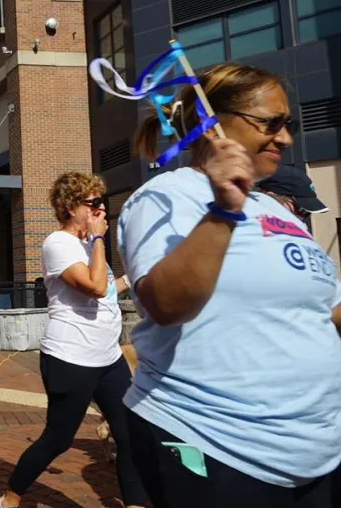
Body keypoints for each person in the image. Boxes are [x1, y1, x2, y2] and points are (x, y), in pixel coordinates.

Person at [118, 63, 341, 508]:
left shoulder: (278, 211)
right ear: (212, 122)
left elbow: (324, 312)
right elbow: (165, 303)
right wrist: (223, 210)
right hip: (214, 444)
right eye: (271, 123)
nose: (285, 138)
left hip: (317, 453)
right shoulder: (166, 196)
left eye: (288, 125)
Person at [0, 172, 145, 508]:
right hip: (70, 357)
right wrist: (100, 240)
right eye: (93, 203)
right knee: (58, 439)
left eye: (101, 202)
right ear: (71, 206)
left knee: (129, 431)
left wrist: (136, 274)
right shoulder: (57, 244)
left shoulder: (89, 245)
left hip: (108, 357)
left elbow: (107, 292)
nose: (101, 209)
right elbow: (93, 286)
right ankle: (9, 497)